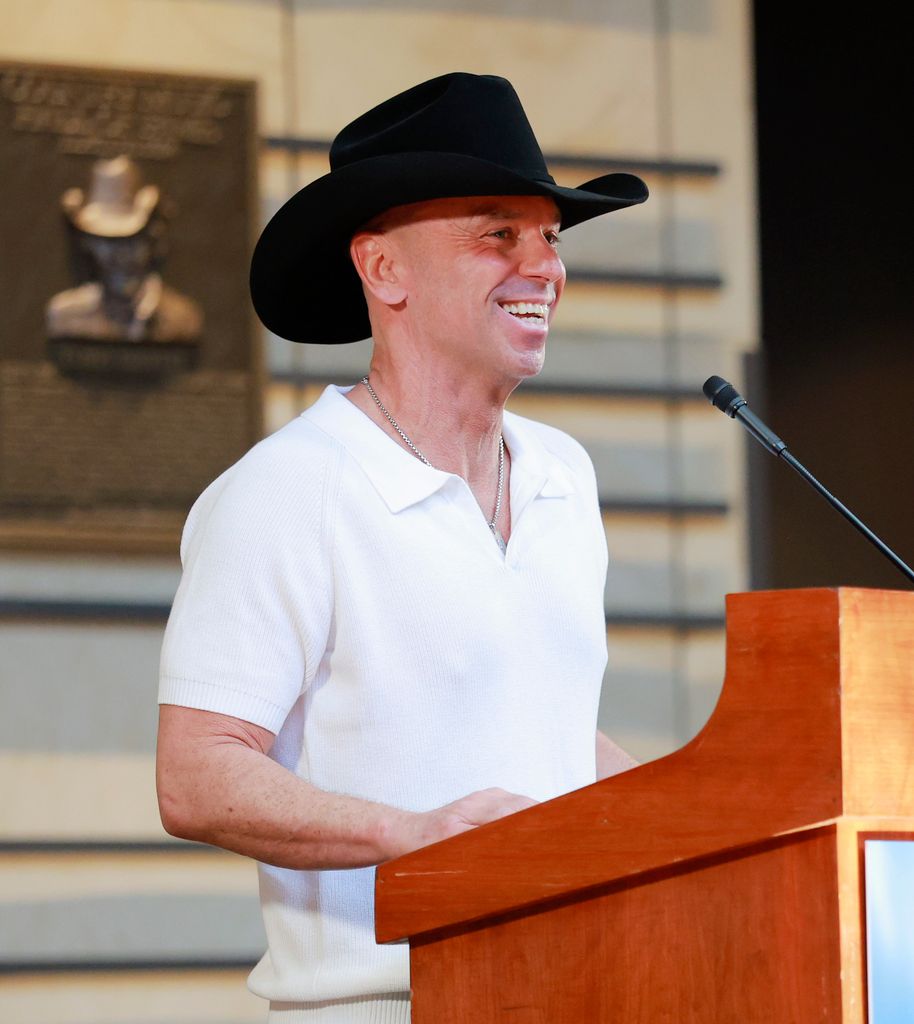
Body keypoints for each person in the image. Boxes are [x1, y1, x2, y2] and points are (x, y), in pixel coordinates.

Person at [156, 72, 648, 1023]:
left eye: (549, 235)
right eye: (497, 232)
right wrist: (416, 835)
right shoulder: (288, 490)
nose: (543, 266)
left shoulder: (564, 475)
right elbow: (196, 771)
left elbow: (528, 722)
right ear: (384, 271)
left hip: (579, 988)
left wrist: (704, 808)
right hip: (384, 1003)